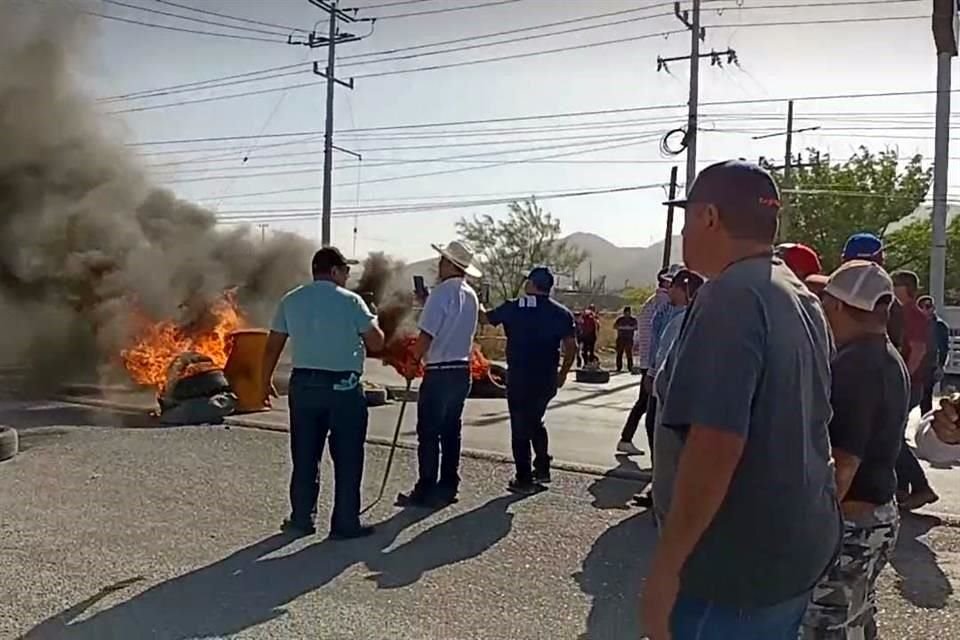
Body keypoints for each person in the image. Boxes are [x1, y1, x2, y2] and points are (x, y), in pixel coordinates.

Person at [640, 160, 840, 640]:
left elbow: (715, 444)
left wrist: (667, 568)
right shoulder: (797, 293)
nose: (686, 231)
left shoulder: (730, 296)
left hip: (732, 573)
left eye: (687, 218)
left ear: (709, 217)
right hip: (791, 553)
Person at [801, 260, 908, 639]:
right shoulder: (888, 357)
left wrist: (809, 532)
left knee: (824, 628)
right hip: (876, 518)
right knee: (856, 621)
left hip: (850, 524)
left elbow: (843, 461)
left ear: (836, 307)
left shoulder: (856, 365)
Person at [260, 247, 385, 539]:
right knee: (348, 456)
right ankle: (344, 523)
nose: (347, 277)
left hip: (303, 386)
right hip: (343, 388)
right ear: (334, 271)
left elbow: (273, 344)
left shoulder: (291, 300)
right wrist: (374, 320)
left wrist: (264, 379)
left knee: (304, 455)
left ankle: (301, 518)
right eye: (345, 271)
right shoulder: (352, 302)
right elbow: (376, 343)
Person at [397, 241, 481, 509]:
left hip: (439, 370)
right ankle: (448, 485)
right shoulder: (471, 295)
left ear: (449, 264)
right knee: (451, 430)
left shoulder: (440, 294)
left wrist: (412, 361)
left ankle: (426, 488)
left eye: (442, 260)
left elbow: (427, 335)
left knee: (429, 432)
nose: (439, 264)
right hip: (461, 370)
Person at [484, 267, 578, 494]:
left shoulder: (514, 307)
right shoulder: (562, 313)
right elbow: (572, 347)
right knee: (535, 421)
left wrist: (477, 302)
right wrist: (563, 373)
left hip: (520, 377)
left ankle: (524, 478)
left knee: (520, 427)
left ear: (533, 284)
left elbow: (486, 318)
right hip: (546, 378)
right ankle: (543, 466)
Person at [647, 268, 704, 518]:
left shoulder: (683, 320)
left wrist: (653, 379)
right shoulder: (672, 315)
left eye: (673, 286)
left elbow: (665, 361)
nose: (668, 290)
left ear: (685, 289)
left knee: (669, 461)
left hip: (672, 402)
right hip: (676, 399)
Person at [890, 270, 939, 511]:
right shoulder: (903, 312)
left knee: (891, 436)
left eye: (895, 284)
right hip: (911, 384)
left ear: (905, 288)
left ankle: (921, 487)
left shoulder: (911, 315)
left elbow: (917, 350)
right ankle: (902, 488)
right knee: (893, 435)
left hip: (910, 384)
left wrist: (903, 378)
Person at [617, 267, 674, 455]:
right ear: (666, 282)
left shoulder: (652, 301)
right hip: (654, 363)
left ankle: (626, 438)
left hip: (648, 362)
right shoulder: (666, 304)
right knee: (651, 406)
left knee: (644, 402)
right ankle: (648, 449)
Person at [918, 294, 950, 415]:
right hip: (916, 364)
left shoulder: (939, 326)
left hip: (930, 366)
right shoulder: (916, 323)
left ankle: (925, 423)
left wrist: (941, 366)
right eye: (922, 306)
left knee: (926, 397)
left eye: (928, 306)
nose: (926, 309)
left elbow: (943, 347)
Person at [613, 306, 638, 373]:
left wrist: (629, 328)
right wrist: (623, 327)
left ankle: (630, 367)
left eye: (628, 312)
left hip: (629, 339)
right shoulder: (620, 319)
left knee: (629, 354)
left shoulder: (633, 320)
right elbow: (615, 326)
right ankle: (619, 367)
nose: (627, 314)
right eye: (626, 312)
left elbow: (636, 327)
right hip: (621, 338)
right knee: (619, 353)